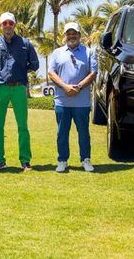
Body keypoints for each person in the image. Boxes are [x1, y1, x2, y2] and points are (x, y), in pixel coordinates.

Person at [0, 12, 39, 172]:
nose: (7, 26)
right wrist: (0, 75)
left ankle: (25, 160)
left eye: (10, 23)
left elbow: (34, 64)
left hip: (19, 89)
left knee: (22, 126)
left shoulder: (25, 43)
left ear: (14, 25)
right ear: (0, 26)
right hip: (0, 89)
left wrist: (21, 72)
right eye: (4, 23)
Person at [47, 22, 98, 172]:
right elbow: (51, 73)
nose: (71, 36)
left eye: (74, 33)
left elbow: (93, 73)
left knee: (83, 132)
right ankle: (62, 160)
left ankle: (85, 159)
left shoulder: (89, 52)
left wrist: (79, 87)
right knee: (62, 132)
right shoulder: (57, 53)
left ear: (79, 35)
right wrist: (65, 86)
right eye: (68, 33)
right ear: (65, 36)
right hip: (62, 100)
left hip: (81, 102)